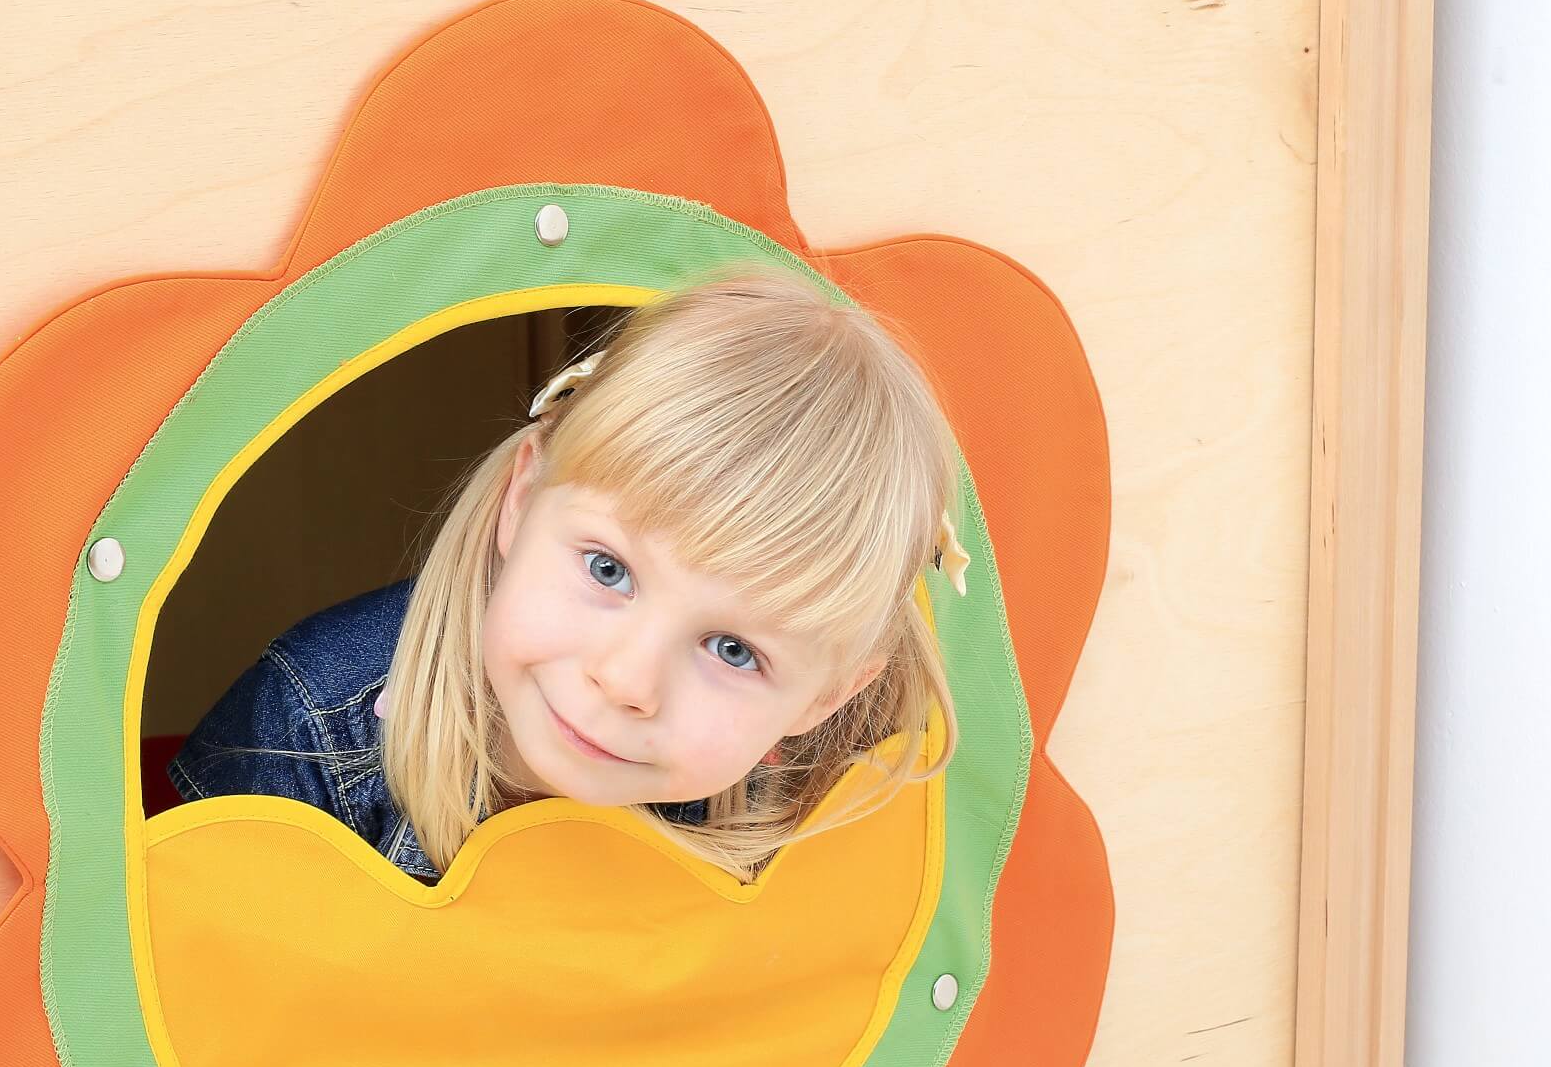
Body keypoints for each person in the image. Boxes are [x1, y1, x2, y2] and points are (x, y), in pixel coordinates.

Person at [166, 263, 965, 884]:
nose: (626, 680)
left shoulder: (801, 818)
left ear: (827, 697)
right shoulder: (310, 725)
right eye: (608, 569)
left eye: (733, 650)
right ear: (522, 498)